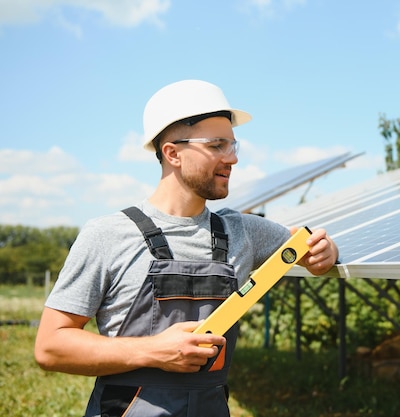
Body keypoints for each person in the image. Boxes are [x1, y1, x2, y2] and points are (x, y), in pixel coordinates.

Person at [34, 79, 339, 417]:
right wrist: (154, 351)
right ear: (173, 153)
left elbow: (307, 245)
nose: (232, 158)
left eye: (233, 146)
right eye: (217, 145)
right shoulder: (108, 235)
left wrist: (326, 252)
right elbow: (50, 347)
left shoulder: (243, 231)